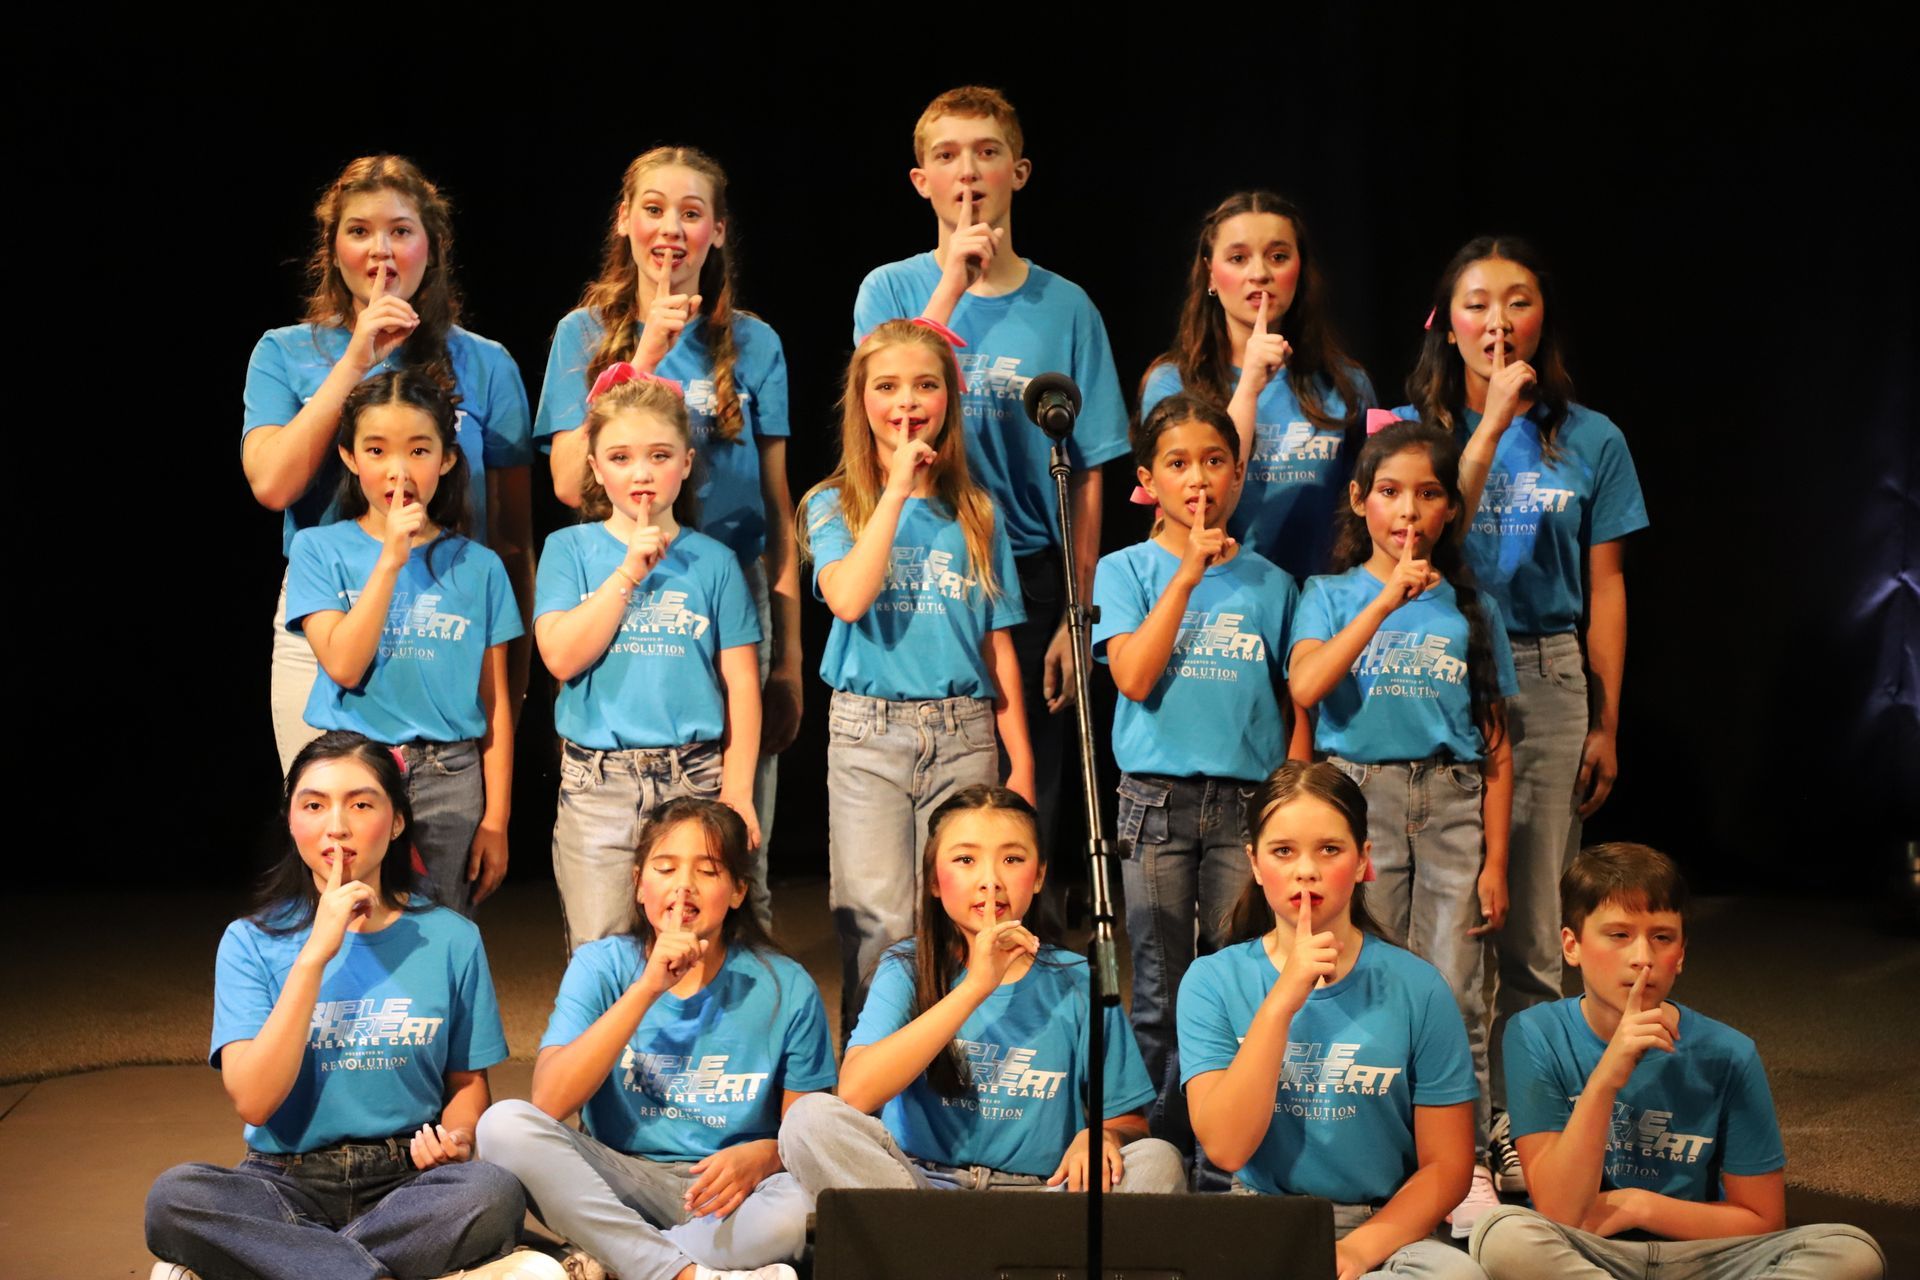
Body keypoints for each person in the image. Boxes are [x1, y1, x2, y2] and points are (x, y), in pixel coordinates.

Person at [1397, 237, 1649, 1192]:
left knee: (1536, 928)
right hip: (1427, 658)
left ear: (1544, 319)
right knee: (1439, 920)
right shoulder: (1411, 427)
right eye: (1476, 304)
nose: (1497, 321)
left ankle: (1525, 1129)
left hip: (1544, 671)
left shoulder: (1592, 437)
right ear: (1445, 321)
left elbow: (1608, 585)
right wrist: (1488, 422)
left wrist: (1605, 718)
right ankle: (1430, 1129)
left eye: (1518, 302)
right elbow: (1431, 533)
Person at [144, 731, 554, 1280]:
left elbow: (464, 1084)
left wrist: (457, 1140)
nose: (337, 825)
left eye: (361, 804)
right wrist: (314, 955)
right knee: (175, 1199)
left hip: (407, 1177)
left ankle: (288, 1265)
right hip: (282, 1182)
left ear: (398, 820)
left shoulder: (451, 938)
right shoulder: (250, 941)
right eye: (314, 805)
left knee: (493, 1191)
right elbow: (255, 1102)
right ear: (292, 822)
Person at [852, 86, 1131, 855]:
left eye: (986, 153)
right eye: (946, 156)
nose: (967, 172)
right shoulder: (892, 291)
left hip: (1033, 574)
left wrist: (1077, 617)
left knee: (1021, 790)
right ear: (922, 182)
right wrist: (952, 282)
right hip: (923, 559)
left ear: (1019, 171)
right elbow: (880, 399)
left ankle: (1021, 957)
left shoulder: (1066, 306)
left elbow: (1091, 468)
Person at [536, 146, 799, 932]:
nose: (671, 229)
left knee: (731, 853)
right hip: (617, 583)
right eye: (654, 209)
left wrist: (786, 653)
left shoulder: (754, 343)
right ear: (626, 220)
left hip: (725, 595)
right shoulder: (583, 333)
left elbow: (779, 508)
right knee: (620, 875)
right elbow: (564, 480)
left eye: (691, 213)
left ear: (716, 231)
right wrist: (641, 354)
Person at [1288, 416, 1517, 1233]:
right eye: (1389, 492)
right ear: (1360, 500)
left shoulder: (1473, 607)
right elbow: (1309, 686)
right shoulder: (1329, 593)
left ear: (1451, 508)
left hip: (1451, 805)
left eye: (1427, 494)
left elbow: (1496, 747)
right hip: (1362, 803)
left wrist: (1495, 859)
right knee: (1364, 980)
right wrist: (1385, 595)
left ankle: (1467, 1168)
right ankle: (1378, 1157)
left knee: (1457, 991)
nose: (1407, 510)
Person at [1471, 843, 1885, 1280]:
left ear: (1681, 953)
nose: (1643, 958)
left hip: (1702, 1256)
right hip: (1588, 1253)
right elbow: (1560, 1210)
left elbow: (1762, 1220)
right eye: (1618, 935)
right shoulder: (1536, 1033)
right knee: (1503, 1235)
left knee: (1850, 1250)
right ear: (1572, 946)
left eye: (1662, 937)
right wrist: (1607, 1077)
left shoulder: (1728, 1053)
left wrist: (1636, 1204)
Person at [243, 155, 532, 778]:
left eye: (401, 230)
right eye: (360, 231)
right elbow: (273, 484)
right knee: (337, 838)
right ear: (334, 246)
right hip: (327, 624)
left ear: (432, 245)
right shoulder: (284, 352)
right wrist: (355, 358)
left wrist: (515, 667)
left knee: (437, 843)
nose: (381, 250)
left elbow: (512, 537)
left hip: (447, 625)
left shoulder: (486, 364)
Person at [476, 798, 834, 1280]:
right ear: (640, 884)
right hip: (622, 1181)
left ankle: (615, 1259)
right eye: (665, 868)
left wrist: (766, 1155)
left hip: (730, 1195)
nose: (683, 885)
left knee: (791, 1217)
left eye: (707, 871)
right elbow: (548, 1100)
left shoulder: (785, 985)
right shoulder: (601, 966)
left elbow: (806, 1134)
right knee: (503, 1125)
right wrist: (646, 988)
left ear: (737, 891)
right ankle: (686, 1274)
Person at [778, 785, 1186, 1196]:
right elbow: (855, 1093)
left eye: (1012, 859)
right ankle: (940, 1248)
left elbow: (1130, 1124)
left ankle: (957, 1258)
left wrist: (1104, 1139)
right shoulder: (905, 966)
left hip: (1041, 1197)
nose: (990, 880)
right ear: (934, 880)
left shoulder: (1079, 978)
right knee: (808, 1120)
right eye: (965, 860)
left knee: (1159, 1160)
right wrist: (976, 986)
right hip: (917, 1191)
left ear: (1039, 874)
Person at [799, 318, 1033, 1033]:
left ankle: (958, 1082)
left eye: (925, 385)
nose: (907, 401)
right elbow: (848, 596)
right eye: (888, 386)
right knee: (877, 922)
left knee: (966, 913)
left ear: (948, 399)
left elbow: (996, 648)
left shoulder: (977, 512)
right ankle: (870, 1093)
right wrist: (895, 489)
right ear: (861, 400)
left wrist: (1019, 762)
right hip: (869, 733)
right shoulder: (831, 504)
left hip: (962, 731)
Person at [1092, 393, 1297, 1175]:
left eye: (1215, 461)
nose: (1199, 479)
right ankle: (1155, 1148)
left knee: (1240, 976)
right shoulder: (1126, 570)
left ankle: (1222, 1152)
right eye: (1177, 464)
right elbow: (1136, 677)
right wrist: (1185, 574)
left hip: (1246, 804)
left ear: (1239, 473)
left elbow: (1292, 697)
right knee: (1156, 987)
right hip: (1154, 803)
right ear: (1148, 480)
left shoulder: (1272, 585)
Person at [1181, 762, 1485, 1280]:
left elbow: (1448, 1167)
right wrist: (1281, 1002)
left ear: (1364, 859)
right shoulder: (1212, 981)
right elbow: (1227, 1147)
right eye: (1283, 851)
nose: (1306, 870)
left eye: (1330, 849)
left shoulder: (1417, 986)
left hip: (1385, 1230)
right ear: (1254, 864)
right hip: (1262, 1223)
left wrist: (1357, 1251)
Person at [534, 371, 762, 951]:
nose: (640, 472)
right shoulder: (571, 551)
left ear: (686, 463)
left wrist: (736, 790)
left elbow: (740, 684)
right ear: (595, 465)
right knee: (602, 950)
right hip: (599, 785)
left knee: (696, 950)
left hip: (694, 777)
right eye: (621, 456)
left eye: (658, 455)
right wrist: (629, 572)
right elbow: (560, 656)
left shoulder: (713, 562)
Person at [284, 371, 521, 916]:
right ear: (349, 457)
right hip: (354, 770)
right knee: (350, 926)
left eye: (418, 450)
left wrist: (497, 820)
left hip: (450, 778)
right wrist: (392, 557)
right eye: (376, 449)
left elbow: (495, 705)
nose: (398, 470)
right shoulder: (320, 551)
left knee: (442, 930)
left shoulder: (479, 567)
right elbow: (343, 663)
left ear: (446, 459)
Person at [1139, 191, 1373, 581]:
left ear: (1301, 268)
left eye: (1278, 257)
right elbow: (1205, 508)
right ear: (1211, 273)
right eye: (1238, 258)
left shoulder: (1347, 384)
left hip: (1320, 608)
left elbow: (1367, 509)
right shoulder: (1171, 383)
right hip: (1219, 601)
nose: (1260, 273)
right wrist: (1248, 386)